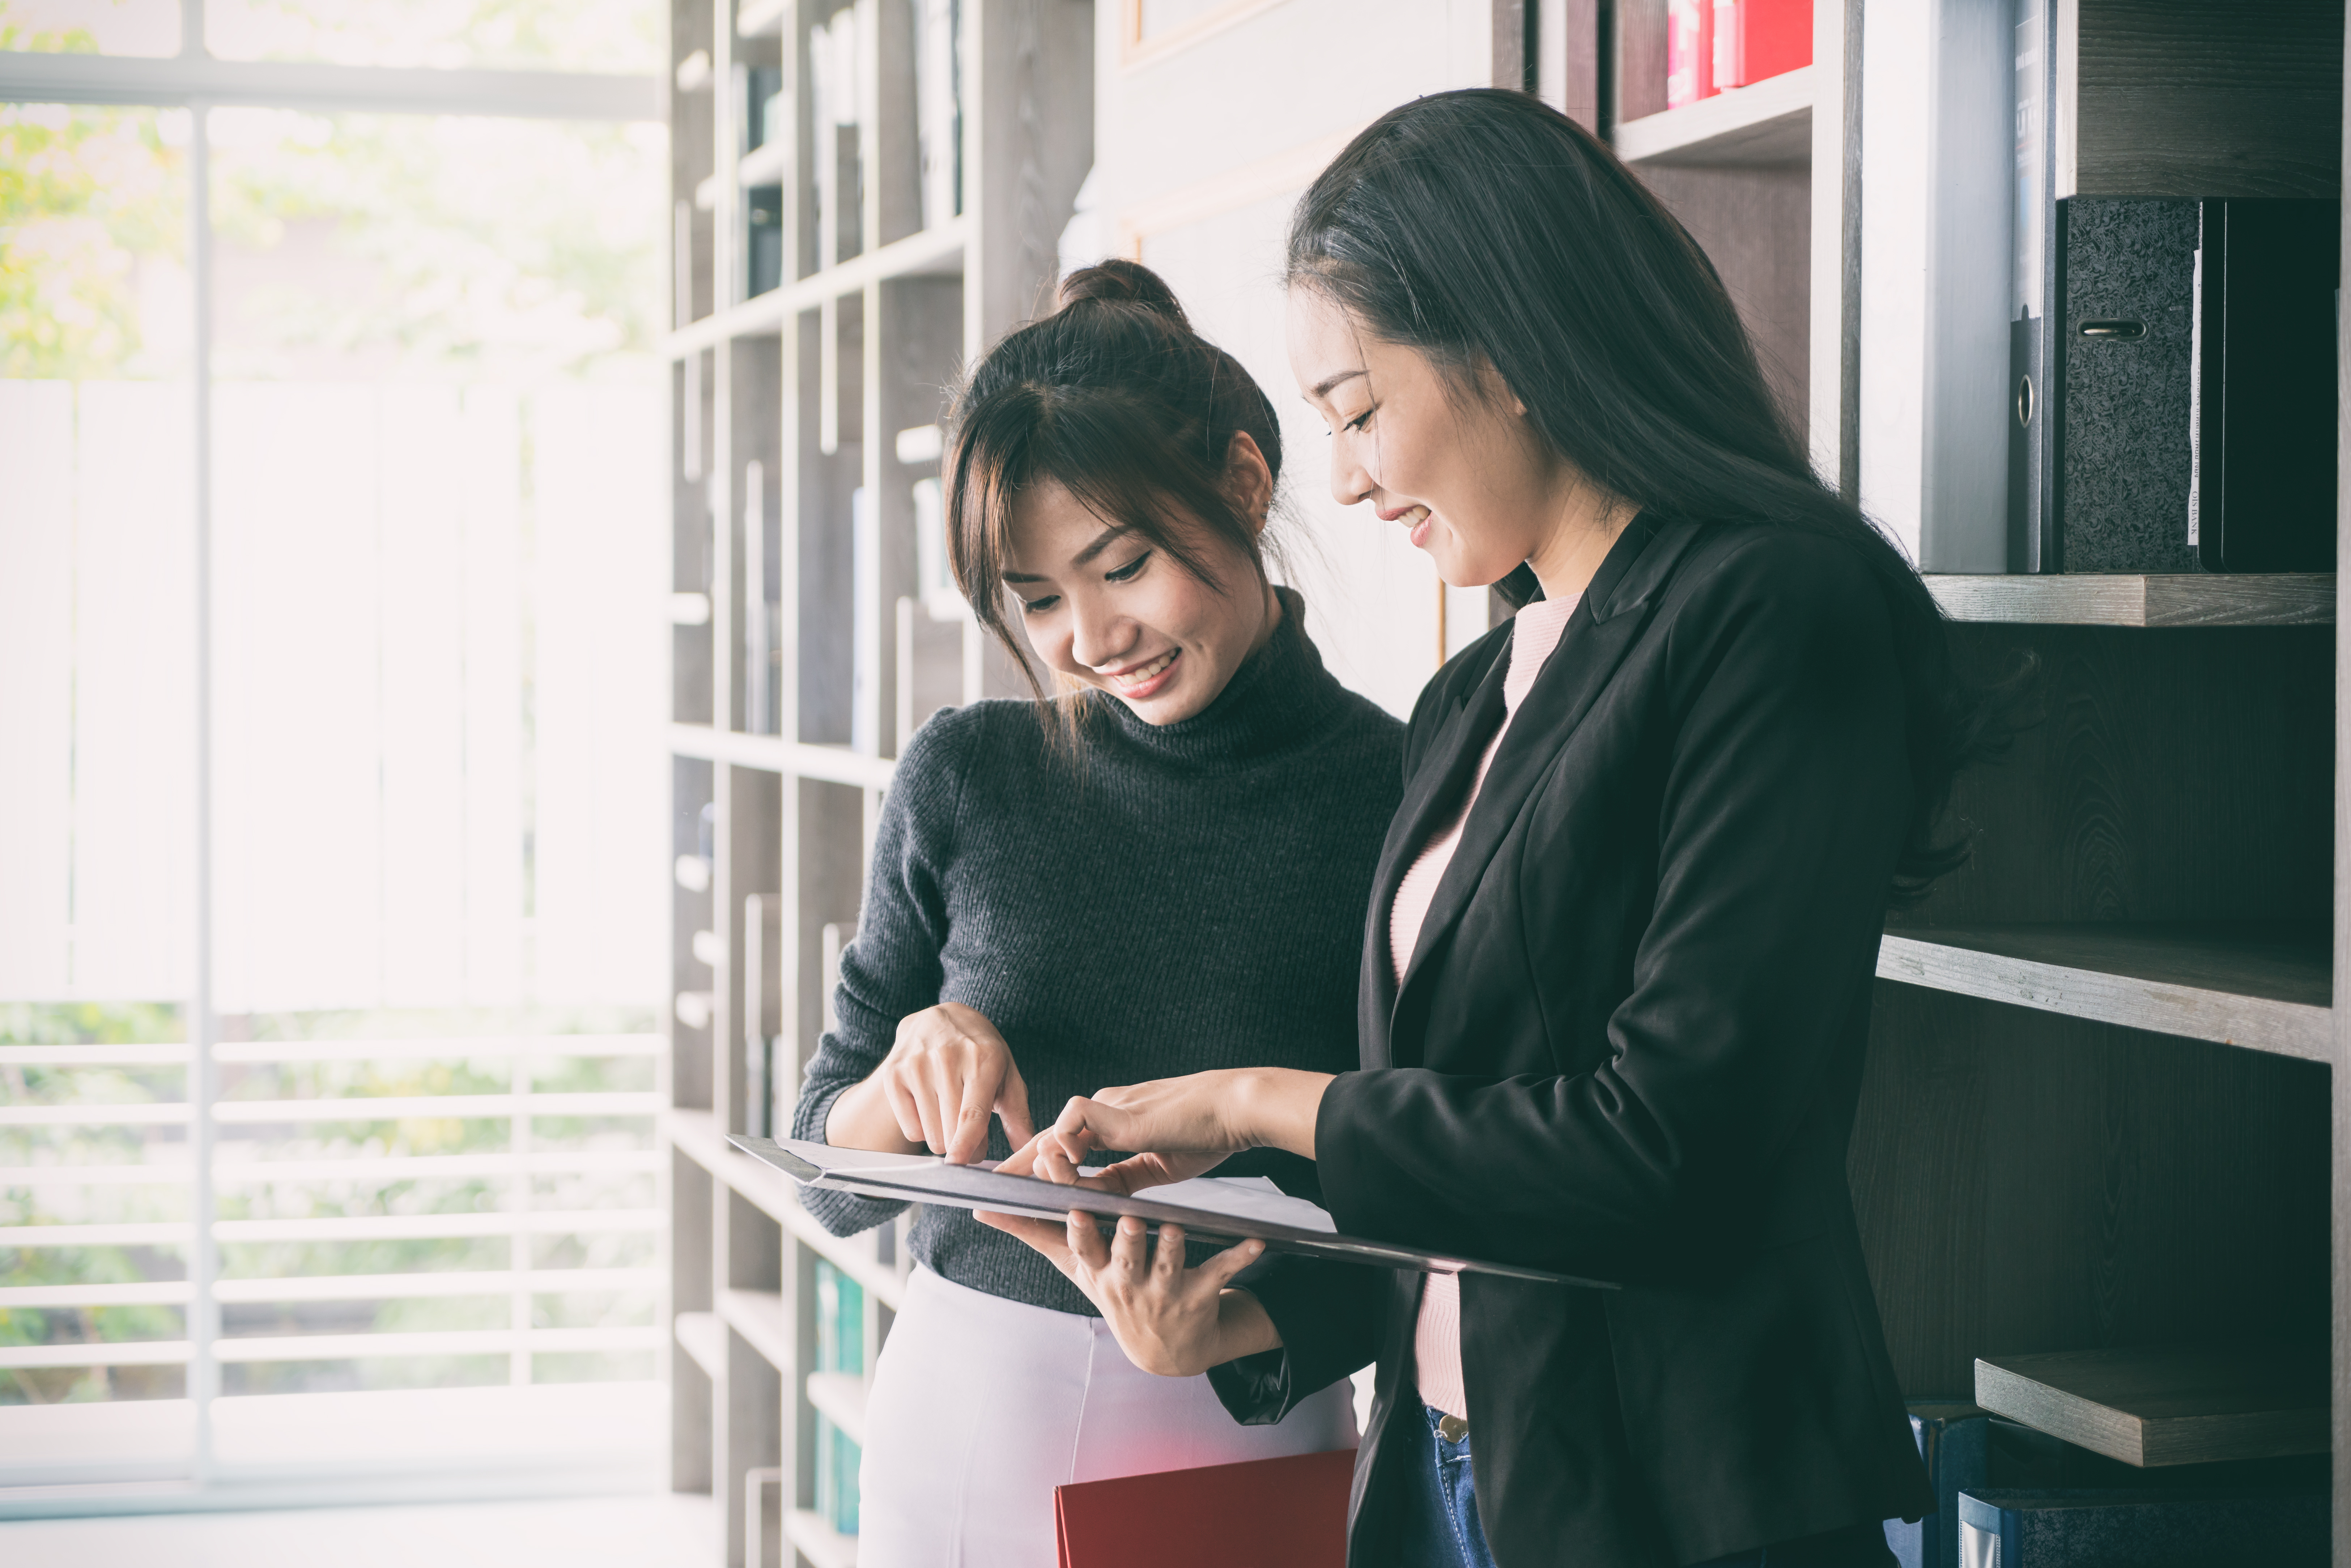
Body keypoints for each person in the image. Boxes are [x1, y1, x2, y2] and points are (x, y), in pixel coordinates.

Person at [985, 90, 2011, 1568]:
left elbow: (1664, 1149)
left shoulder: (1771, 613)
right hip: (1450, 1482)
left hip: (1673, 1504)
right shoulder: (1476, 689)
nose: (1338, 476)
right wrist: (1243, 1316)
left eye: (1353, 410)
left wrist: (1248, 1100)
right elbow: (1470, 1158)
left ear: (1507, 349)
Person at [788, 257, 1401, 1568]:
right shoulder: (970, 771)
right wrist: (910, 1075)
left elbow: (1436, 1197)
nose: (1090, 638)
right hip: (964, 1417)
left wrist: (1245, 1335)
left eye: (1120, 567)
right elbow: (824, 1170)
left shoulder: (1405, 792)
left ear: (1243, 486)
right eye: (1039, 601)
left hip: (1237, 1418)